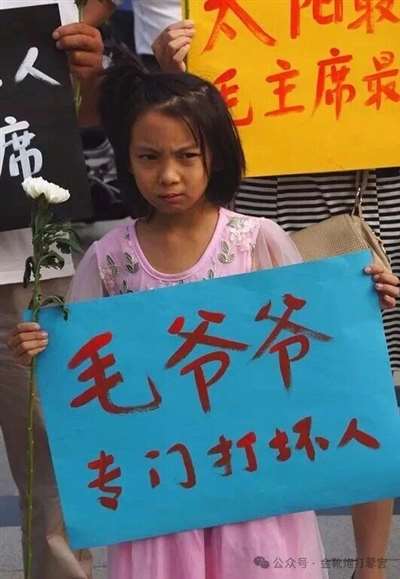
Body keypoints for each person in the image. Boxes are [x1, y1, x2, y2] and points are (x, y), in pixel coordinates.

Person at [7, 55, 400, 579]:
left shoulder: (257, 240)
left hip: (258, 488)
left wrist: (359, 303)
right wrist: (38, 348)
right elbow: (82, 371)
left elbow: (315, 347)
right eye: (149, 157)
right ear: (126, 159)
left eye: (187, 156)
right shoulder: (109, 260)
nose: (168, 175)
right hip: (162, 498)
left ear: (214, 155)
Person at [151, 21, 400, 579]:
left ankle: (371, 567)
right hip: (246, 205)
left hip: (356, 200)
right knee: (247, 387)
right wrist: (177, 72)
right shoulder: (229, 18)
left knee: (363, 388)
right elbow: (180, 121)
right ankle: (252, 556)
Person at [0, 18, 103, 579]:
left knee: (51, 465)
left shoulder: (31, 19)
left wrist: (85, 78)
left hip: (27, 259)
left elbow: (84, 124)